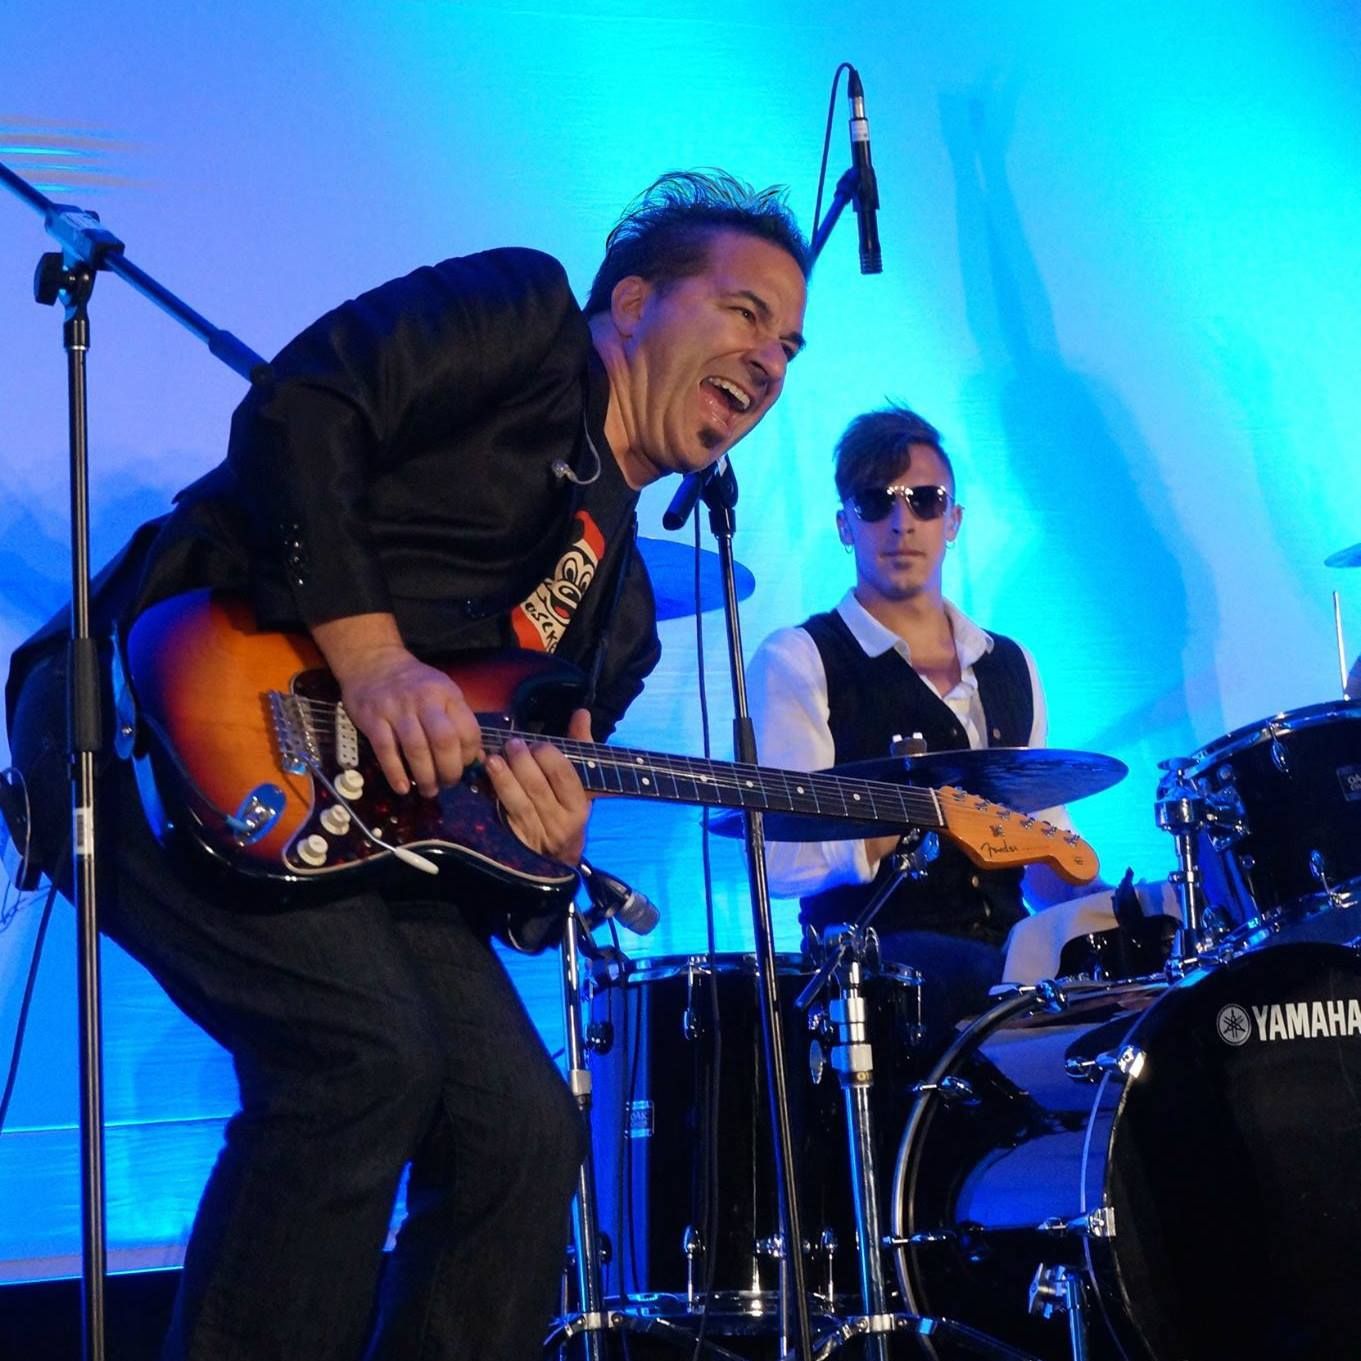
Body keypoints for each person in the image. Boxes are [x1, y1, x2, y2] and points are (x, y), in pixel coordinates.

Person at [5, 170, 808, 1361]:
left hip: (361, 835)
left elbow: (475, 851)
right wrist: (374, 657)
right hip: (148, 710)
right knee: (362, 1057)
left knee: (522, 1130)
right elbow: (300, 406)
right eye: (745, 313)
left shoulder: (620, 620)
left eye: (788, 345)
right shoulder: (523, 318)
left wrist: (545, 851)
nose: (768, 361)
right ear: (634, 301)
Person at [749, 404, 1066, 1032]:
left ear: (954, 521)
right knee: (967, 974)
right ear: (845, 525)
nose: (902, 522)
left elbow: (1044, 839)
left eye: (924, 500)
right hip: (874, 978)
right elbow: (780, 857)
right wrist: (918, 820)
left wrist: (1123, 907)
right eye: (876, 502)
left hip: (1010, 961)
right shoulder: (799, 659)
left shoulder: (1013, 665)